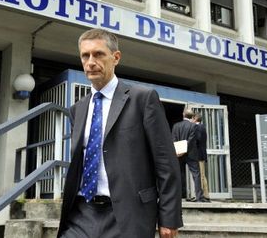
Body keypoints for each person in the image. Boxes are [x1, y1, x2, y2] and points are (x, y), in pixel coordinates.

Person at [57, 28, 183, 238]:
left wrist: (169, 218)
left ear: (116, 58)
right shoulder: (77, 109)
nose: (90, 62)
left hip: (127, 215)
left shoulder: (142, 99)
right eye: (85, 56)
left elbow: (166, 162)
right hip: (81, 213)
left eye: (98, 54)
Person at [172, 109, 206, 202]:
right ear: (192, 116)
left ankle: (179, 196)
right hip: (191, 153)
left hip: (179, 154)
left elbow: (174, 139)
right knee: (196, 175)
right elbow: (192, 140)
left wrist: (179, 151)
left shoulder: (176, 126)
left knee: (179, 174)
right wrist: (185, 149)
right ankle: (199, 197)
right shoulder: (194, 126)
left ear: (183, 114)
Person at [194, 113, 210, 201]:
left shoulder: (198, 127)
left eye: (193, 118)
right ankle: (204, 194)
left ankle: (203, 195)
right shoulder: (202, 127)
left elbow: (198, 139)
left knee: (201, 175)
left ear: (196, 118)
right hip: (201, 154)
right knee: (201, 175)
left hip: (199, 155)